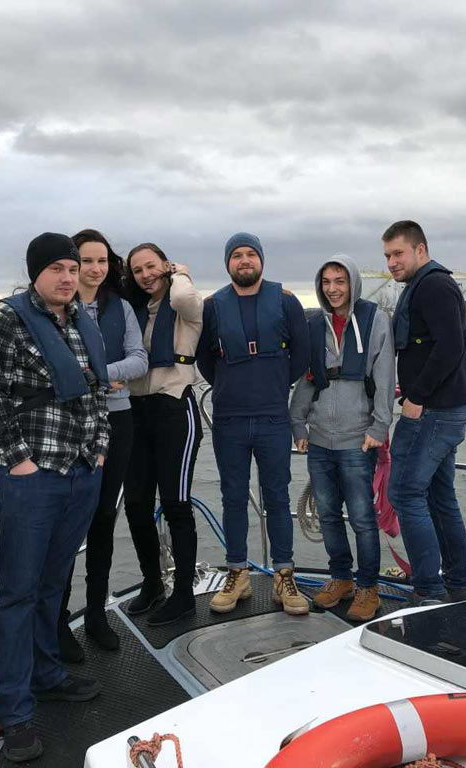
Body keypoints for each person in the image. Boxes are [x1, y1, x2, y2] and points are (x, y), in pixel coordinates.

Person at [0, 232, 110, 762]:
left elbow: (97, 391)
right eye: (57, 268)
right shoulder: (6, 320)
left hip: (81, 471)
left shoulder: (83, 320)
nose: (68, 277)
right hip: (32, 477)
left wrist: (98, 450)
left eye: (73, 269)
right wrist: (19, 461)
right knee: (17, 592)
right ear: (36, 272)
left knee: (54, 583)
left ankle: (48, 673)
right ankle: (15, 711)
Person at [196, 232, 311, 615]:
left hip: (272, 416)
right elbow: (204, 361)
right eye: (237, 256)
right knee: (232, 498)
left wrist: (274, 386)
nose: (244, 261)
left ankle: (284, 576)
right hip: (229, 418)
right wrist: (232, 386)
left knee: (277, 497)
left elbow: (301, 355)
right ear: (228, 263)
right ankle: (238, 573)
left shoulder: (286, 301)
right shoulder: (213, 307)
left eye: (250, 254)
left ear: (261, 260)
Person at [57, 229, 148, 658]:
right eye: (85, 261)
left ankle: (96, 614)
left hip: (117, 419)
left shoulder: (122, 308)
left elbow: (139, 359)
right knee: (68, 521)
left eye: (101, 261)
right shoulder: (58, 308)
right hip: (72, 424)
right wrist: (102, 377)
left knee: (103, 521)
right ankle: (58, 620)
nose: (94, 269)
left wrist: (95, 373)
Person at [289, 255, 395, 622]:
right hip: (319, 439)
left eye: (340, 281)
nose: (333, 289)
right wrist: (298, 424)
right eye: (327, 282)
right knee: (329, 514)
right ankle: (341, 579)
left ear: (352, 283)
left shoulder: (375, 319)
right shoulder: (313, 324)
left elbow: (384, 375)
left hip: (357, 439)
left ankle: (368, 586)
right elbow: (308, 377)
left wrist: (379, 427)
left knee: (363, 518)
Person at [382, 220, 466, 604]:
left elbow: (450, 346)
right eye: (387, 255)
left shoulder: (434, 285)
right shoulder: (423, 286)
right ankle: (457, 584)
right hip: (446, 406)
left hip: (434, 411)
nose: (391, 262)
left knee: (404, 492)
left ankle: (428, 590)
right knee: (439, 496)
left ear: (421, 250)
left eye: (398, 253)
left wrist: (416, 397)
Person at [122, 243, 205, 626]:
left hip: (174, 407)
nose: (145, 275)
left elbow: (186, 294)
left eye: (151, 266)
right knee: (137, 504)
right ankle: (152, 582)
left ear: (165, 265)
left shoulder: (184, 304)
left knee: (176, 505)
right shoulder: (132, 312)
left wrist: (180, 271)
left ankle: (184, 595)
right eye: (137, 270)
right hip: (137, 412)